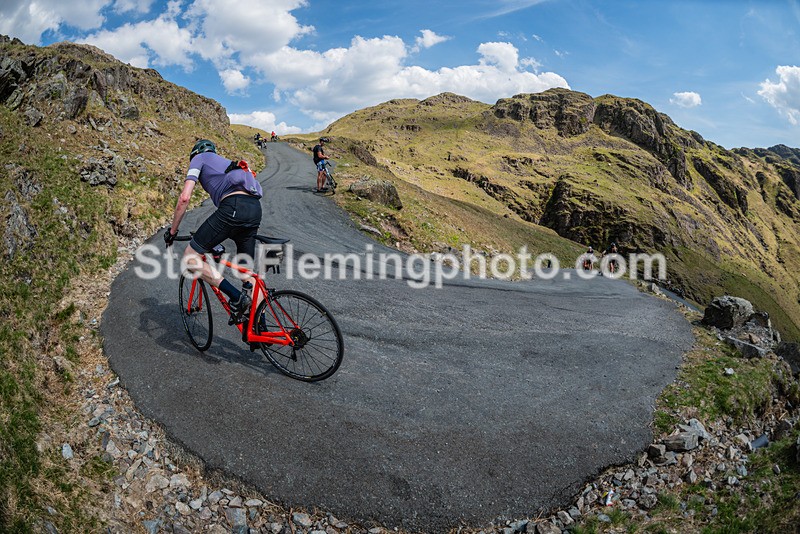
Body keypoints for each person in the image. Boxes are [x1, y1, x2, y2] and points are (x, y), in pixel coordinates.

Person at [164, 139, 263, 315]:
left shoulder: (199, 158)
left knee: (190, 257)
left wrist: (172, 232)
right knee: (247, 272)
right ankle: (259, 331)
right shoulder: (227, 165)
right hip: (255, 209)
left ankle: (236, 297)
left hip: (233, 207)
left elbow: (185, 198)